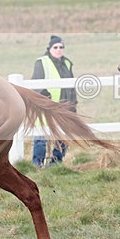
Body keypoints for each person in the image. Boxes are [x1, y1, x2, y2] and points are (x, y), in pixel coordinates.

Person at [31, 35, 77, 166]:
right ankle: (37, 165)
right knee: (41, 138)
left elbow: (71, 86)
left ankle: (55, 165)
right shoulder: (42, 62)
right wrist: (47, 101)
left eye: (61, 47)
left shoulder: (67, 63)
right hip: (46, 107)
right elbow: (37, 85)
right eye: (55, 47)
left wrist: (73, 105)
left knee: (63, 138)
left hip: (64, 108)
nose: (58, 50)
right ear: (49, 48)